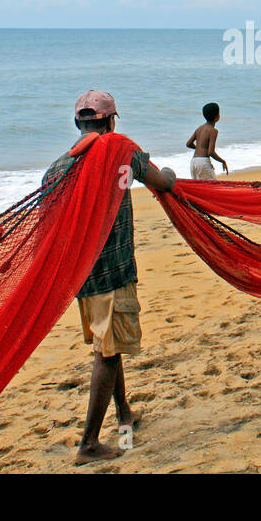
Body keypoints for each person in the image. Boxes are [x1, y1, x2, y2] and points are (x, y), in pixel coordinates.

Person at [41, 89, 178, 466]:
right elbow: (162, 183)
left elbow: (49, 224)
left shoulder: (56, 168)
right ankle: (88, 443)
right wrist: (169, 173)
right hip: (115, 271)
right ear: (112, 121)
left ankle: (124, 415)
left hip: (82, 277)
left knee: (108, 346)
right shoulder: (122, 152)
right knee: (108, 353)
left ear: (76, 123)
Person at [186, 102, 228, 179]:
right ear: (217, 117)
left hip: (193, 162)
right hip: (203, 163)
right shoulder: (213, 131)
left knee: (199, 187)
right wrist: (223, 161)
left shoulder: (199, 128)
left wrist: (199, 148)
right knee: (214, 187)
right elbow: (210, 152)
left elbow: (188, 144)